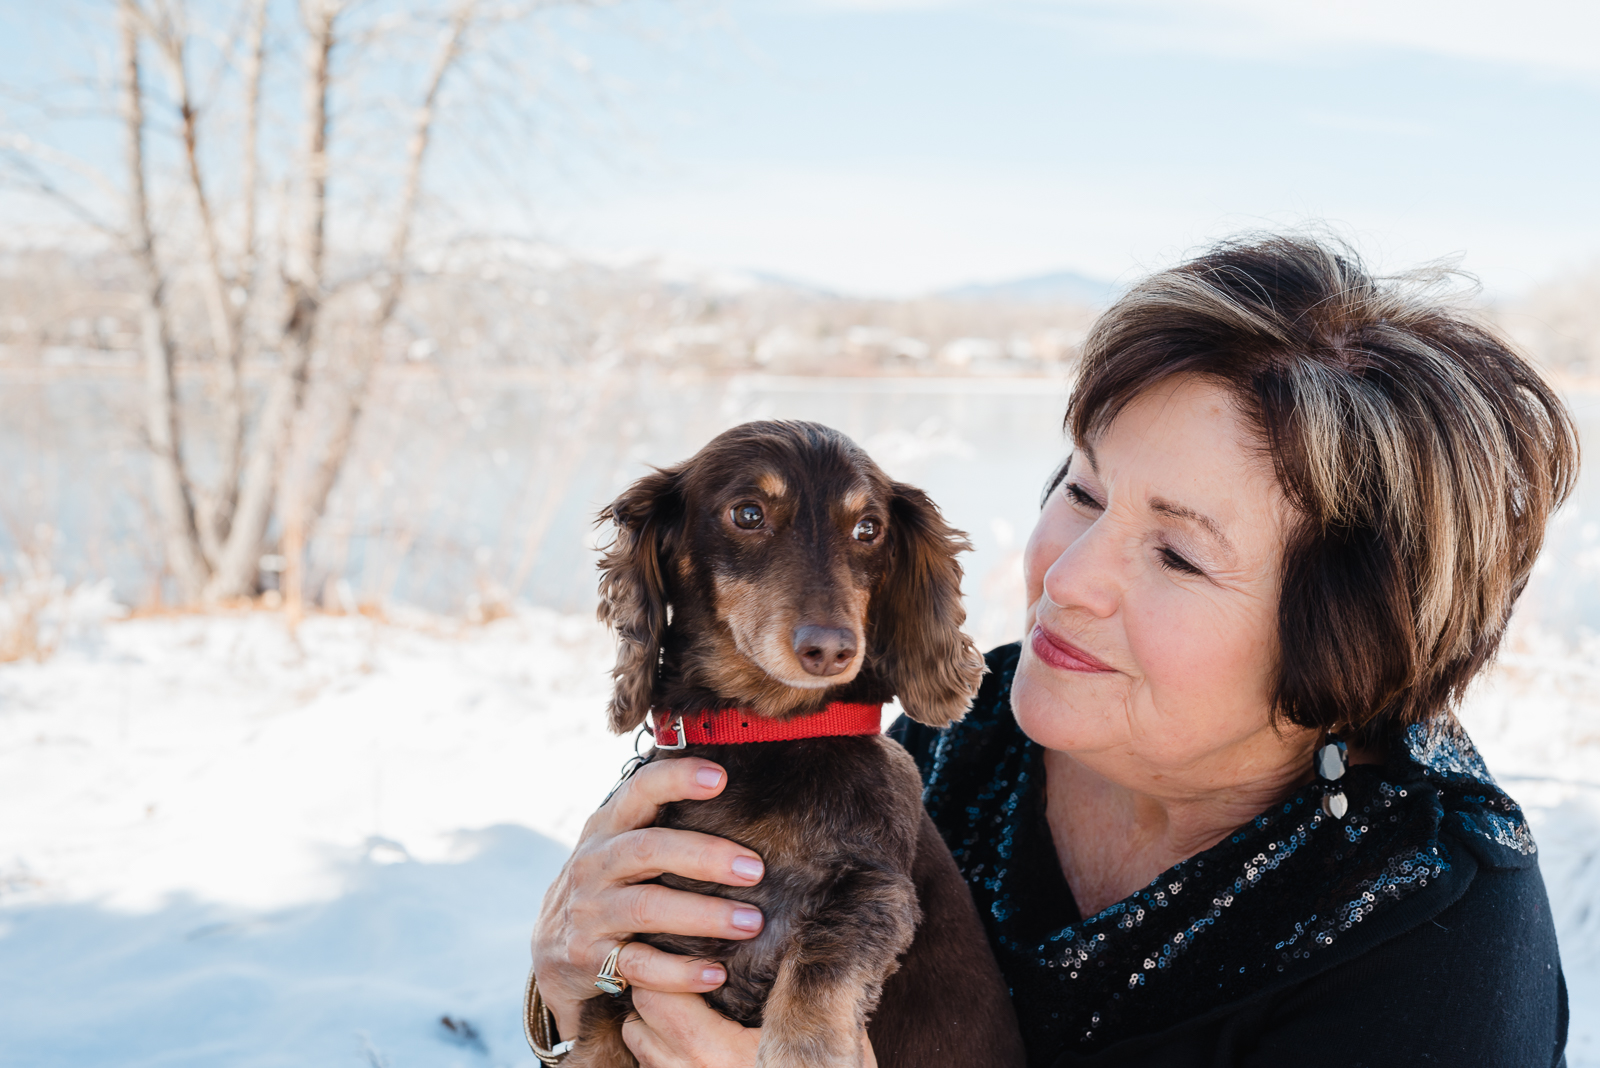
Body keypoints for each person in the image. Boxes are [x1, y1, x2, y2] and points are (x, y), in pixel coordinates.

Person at [530, 235, 1576, 1067]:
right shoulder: (961, 737)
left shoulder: (1434, 943)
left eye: (1176, 554)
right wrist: (573, 995)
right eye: (1081, 491)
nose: (1066, 577)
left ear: (1345, 642)